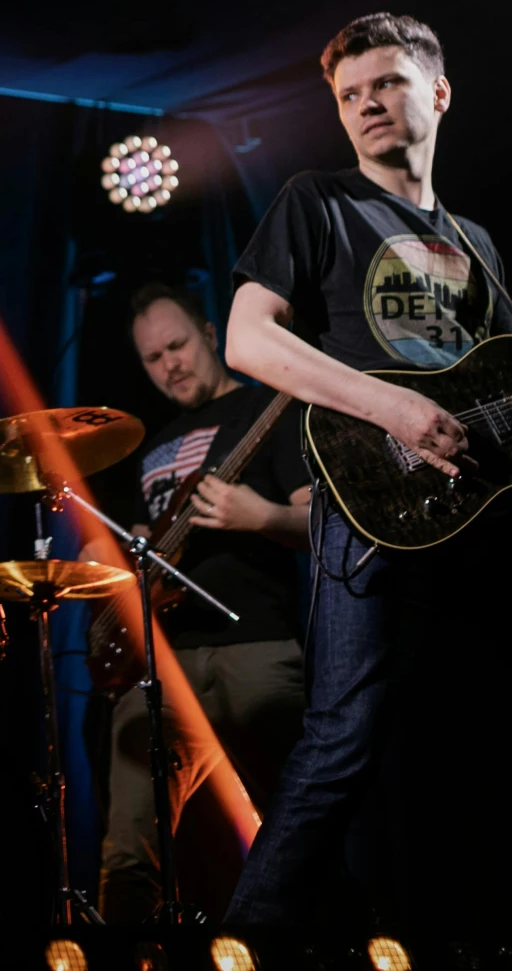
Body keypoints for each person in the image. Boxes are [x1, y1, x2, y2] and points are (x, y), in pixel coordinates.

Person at [223, 12, 512, 922]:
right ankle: (242, 946)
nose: (366, 106)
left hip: (487, 510)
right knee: (341, 747)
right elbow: (247, 338)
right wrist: (392, 404)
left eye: (386, 84)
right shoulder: (317, 202)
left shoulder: (476, 242)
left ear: (437, 92)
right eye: (349, 95)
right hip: (374, 501)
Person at [93, 282, 310, 923]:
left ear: (212, 335)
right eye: (153, 359)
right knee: (128, 848)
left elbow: (323, 524)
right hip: (161, 666)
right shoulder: (152, 449)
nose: (170, 366)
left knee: (299, 830)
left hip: (258, 651)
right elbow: (146, 543)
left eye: (179, 345)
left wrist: (262, 514)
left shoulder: (269, 409)